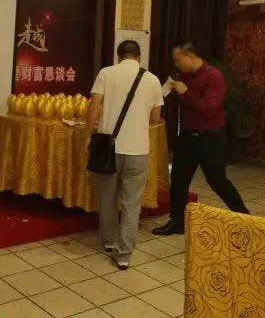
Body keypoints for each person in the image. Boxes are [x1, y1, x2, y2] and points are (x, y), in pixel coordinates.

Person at [153, 42, 249, 236]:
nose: (176, 64)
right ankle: (177, 222)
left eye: (178, 60)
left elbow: (209, 109)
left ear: (190, 56)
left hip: (210, 137)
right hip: (186, 136)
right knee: (178, 180)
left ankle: (245, 217)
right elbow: (164, 96)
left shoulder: (214, 76)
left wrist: (186, 93)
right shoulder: (182, 77)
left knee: (217, 180)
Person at [86, 40, 163, 270]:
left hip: (109, 148)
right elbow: (155, 118)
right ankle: (124, 254)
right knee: (132, 203)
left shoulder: (106, 73)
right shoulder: (152, 79)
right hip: (138, 149)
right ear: (139, 56)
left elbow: (94, 106)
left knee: (107, 196)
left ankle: (109, 241)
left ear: (118, 56)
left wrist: (88, 136)